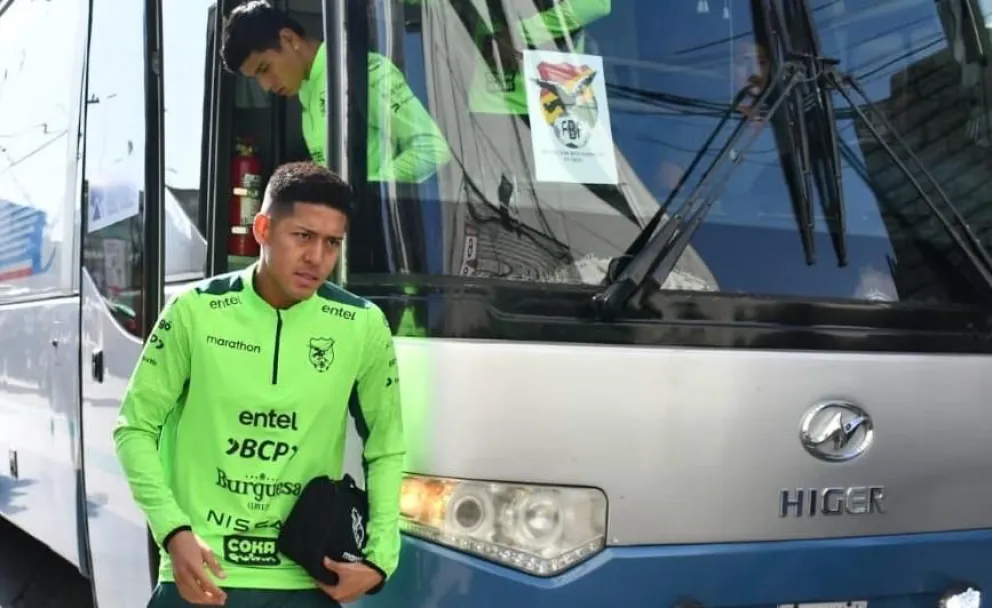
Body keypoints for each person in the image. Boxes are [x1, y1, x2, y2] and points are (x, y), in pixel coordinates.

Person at [113, 161, 405, 607]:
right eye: (303, 236)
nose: (317, 258)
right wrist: (172, 531)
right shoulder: (194, 311)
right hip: (201, 574)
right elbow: (134, 428)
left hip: (303, 580)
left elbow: (385, 446)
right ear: (263, 228)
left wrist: (381, 559)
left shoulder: (363, 325)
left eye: (332, 243)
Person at [220, 0, 451, 184]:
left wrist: (365, 194)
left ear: (289, 39)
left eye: (264, 68)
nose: (265, 85)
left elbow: (432, 148)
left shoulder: (362, 71)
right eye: (256, 78)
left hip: (376, 232)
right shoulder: (306, 91)